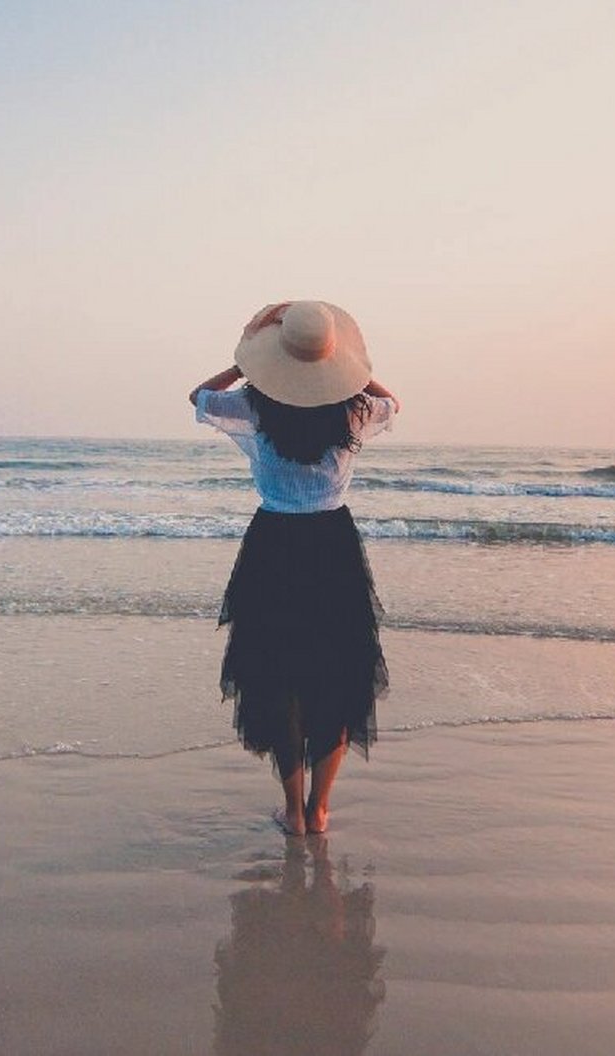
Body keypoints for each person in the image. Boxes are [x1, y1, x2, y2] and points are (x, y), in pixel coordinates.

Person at [190, 301, 400, 836]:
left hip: (274, 546)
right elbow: (392, 403)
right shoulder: (355, 411)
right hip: (333, 548)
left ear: (275, 361)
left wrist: (245, 363)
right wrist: (354, 370)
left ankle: (292, 811)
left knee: (276, 675)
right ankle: (319, 809)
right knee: (337, 674)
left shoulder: (254, 407)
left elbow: (199, 397)